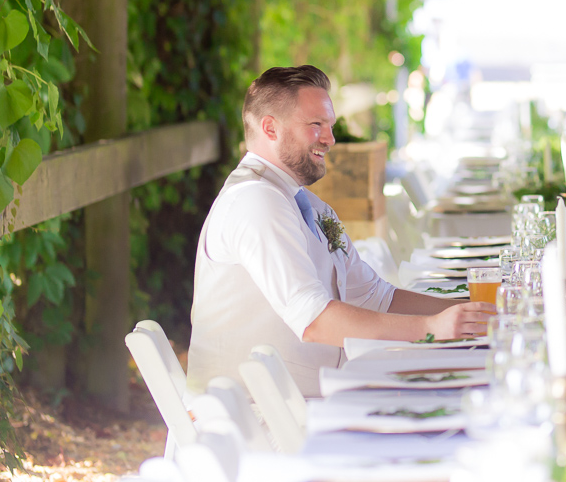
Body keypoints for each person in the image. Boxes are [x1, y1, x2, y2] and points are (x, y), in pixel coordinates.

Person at [187, 66, 493, 396]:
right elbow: (314, 320)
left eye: (330, 126)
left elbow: (378, 297)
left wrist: (479, 314)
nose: (330, 139)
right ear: (270, 128)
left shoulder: (305, 204)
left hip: (311, 396)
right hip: (257, 417)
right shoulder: (256, 201)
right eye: (316, 125)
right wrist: (431, 330)